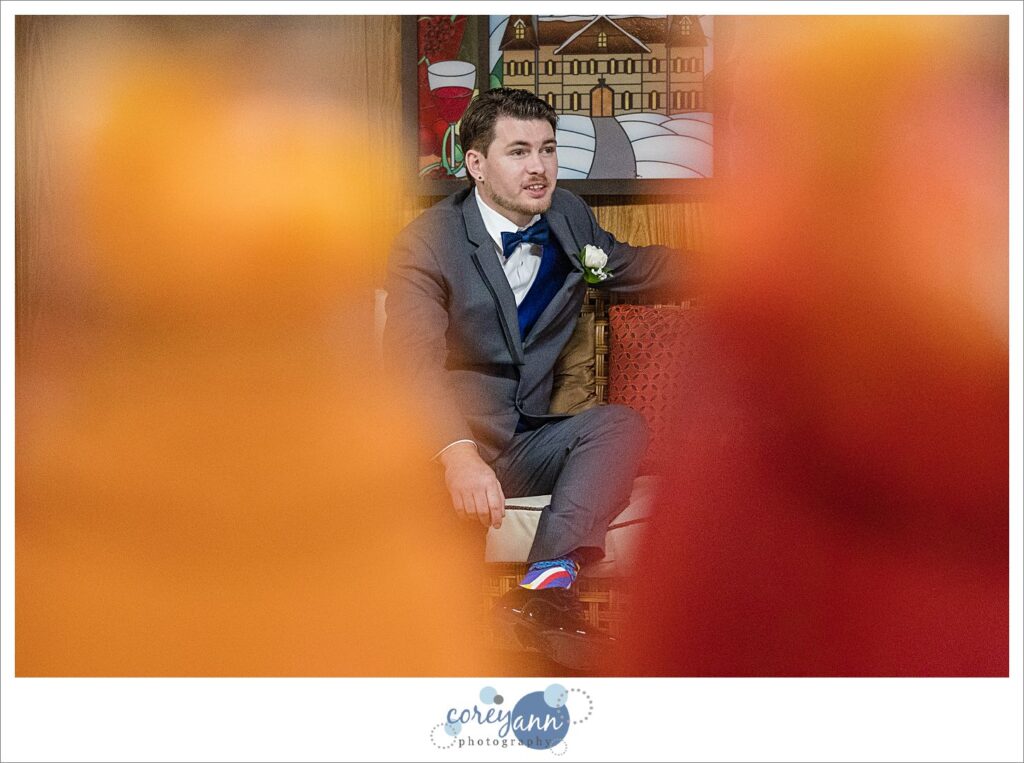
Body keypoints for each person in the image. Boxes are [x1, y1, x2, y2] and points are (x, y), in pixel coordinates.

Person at [383, 88, 687, 670]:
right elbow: (409, 368)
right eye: (519, 151)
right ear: (476, 164)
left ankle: (544, 593)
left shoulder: (567, 216)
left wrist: (747, 265)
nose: (539, 167)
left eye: (547, 149)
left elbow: (633, 267)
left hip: (524, 440)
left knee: (618, 425)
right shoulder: (427, 243)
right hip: (441, 448)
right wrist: (458, 457)